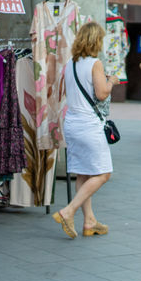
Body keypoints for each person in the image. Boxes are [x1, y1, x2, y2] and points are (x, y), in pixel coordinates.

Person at [54, 21, 118, 239]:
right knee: (103, 173)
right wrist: (112, 82)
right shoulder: (95, 63)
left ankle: (89, 221)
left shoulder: (70, 64)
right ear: (96, 40)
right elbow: (101, 94)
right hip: (88, 125)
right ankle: (68, 211)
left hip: (72, 123)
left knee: (84, 172)